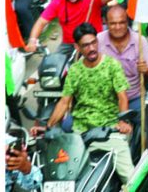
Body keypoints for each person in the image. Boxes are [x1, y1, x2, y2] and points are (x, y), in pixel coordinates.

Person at [36, 23, 135, 184]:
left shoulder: (112, 65)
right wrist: (48, 126)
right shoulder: (75, 71)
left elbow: (122, 97)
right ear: (77, 47)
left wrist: (123, 121)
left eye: (93, 43)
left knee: (130, 180)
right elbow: (63, 102)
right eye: (85, 45)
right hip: (80, 135)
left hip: (108, 131)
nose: (91, 48)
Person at [25, 0, 117, 55]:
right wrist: (32, 40)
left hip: (93, 41)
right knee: (55, 62)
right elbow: (41, 22)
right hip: (70, 44)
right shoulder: (58, 1)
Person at [97, 6, 148, 119]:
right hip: (106, 100)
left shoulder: (140, 40)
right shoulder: (99, 39)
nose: (117, 27)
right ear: (106, 23)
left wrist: (146, 71)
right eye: (113, 23)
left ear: (127, 22)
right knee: (69, 125)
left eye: (122, 23)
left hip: (134, 99)